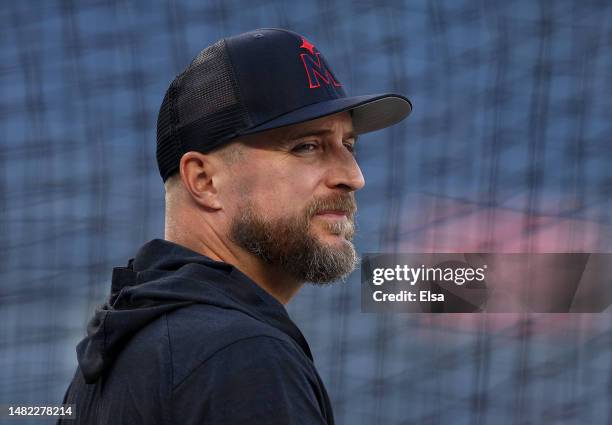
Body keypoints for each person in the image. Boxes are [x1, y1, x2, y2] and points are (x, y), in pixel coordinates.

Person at [58, 28, 411, 424]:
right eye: (306, 146)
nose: (353, 175)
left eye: (348, 145)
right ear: (205, 180)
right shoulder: (244, 357)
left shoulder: (117, 350)